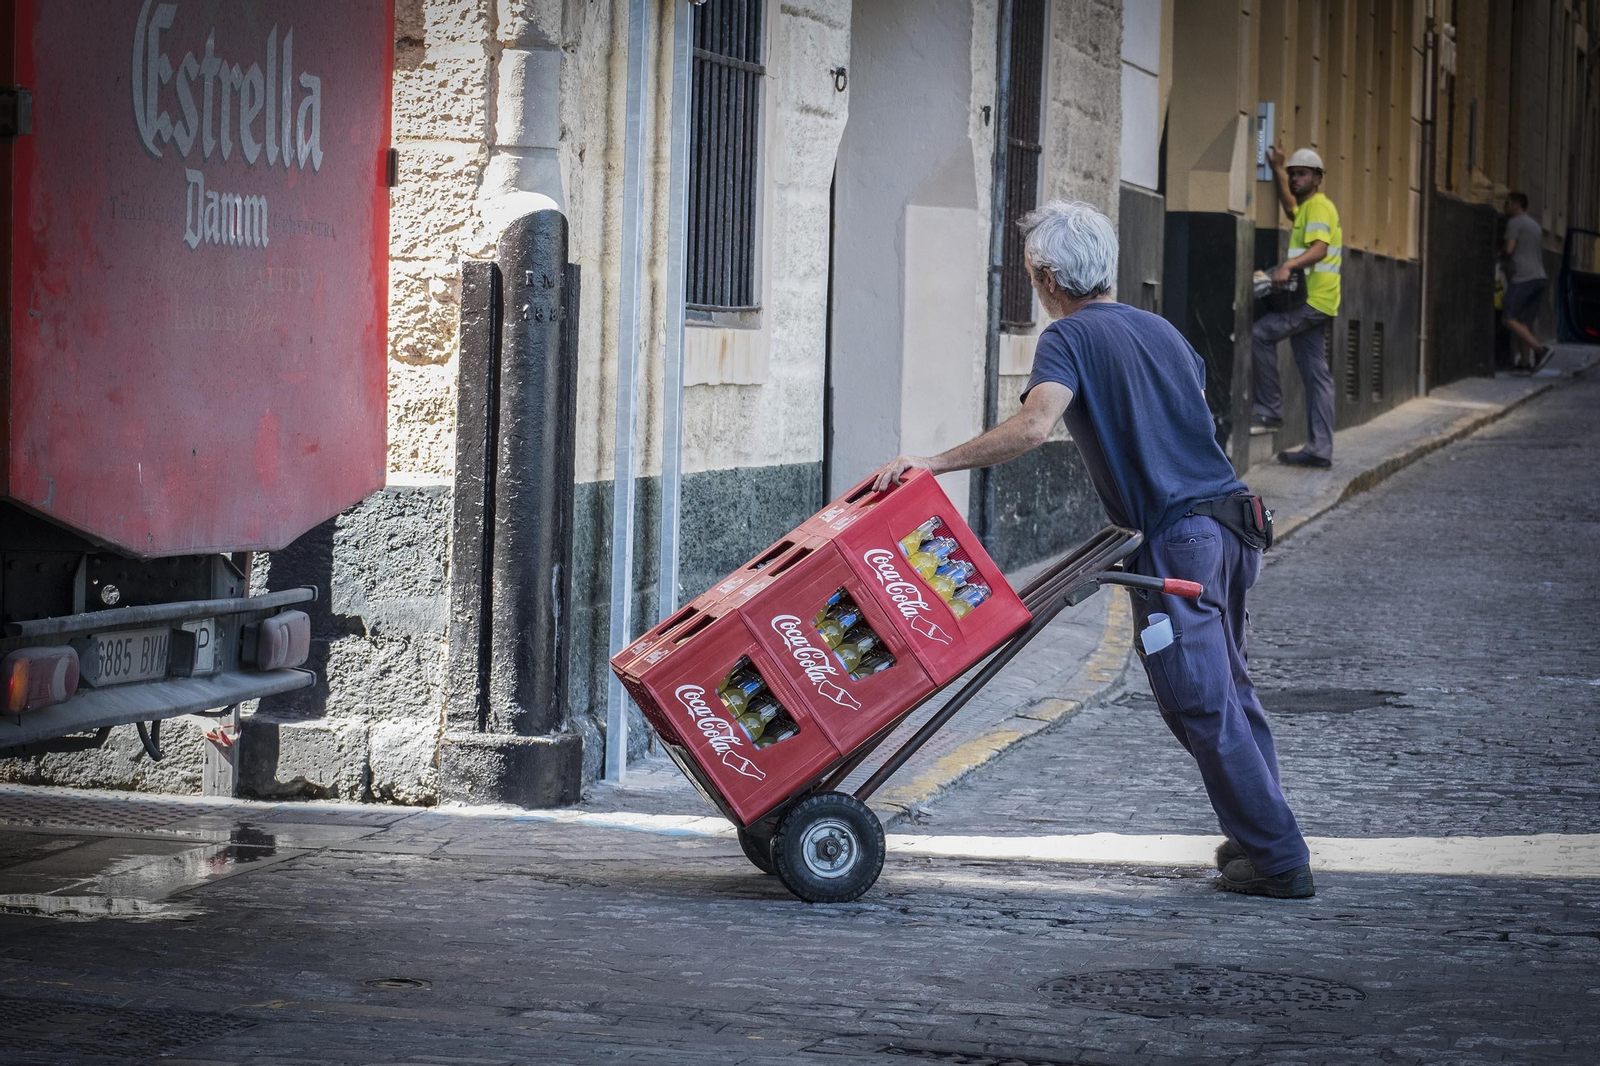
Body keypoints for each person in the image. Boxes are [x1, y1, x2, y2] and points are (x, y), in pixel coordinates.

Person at [871, 200, 1314, 899]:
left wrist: (934, 462)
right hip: (1231, 527)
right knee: (1228, 686)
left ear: (1048, 276)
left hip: (1180, 537)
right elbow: (1188, 418)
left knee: (1196, 697)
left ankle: (1280, 857)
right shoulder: (1165, 333)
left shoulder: (1069, 339)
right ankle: (1261, 834)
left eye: (1031, 276)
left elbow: (1033, 426)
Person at [1250, 146, 1342, 470]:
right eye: (1292, 174)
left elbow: (1319, 249)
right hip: (1318, 301)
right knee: (1317, 376)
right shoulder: (1307, 208)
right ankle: (1320, 448)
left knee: (1260, 333)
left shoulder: (1318, 206)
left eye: (1301, 174)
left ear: (1317, 178)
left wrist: (1288, 265)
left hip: (1311, 302)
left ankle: (1270, 408)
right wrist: (1277, 170)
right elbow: (1290, 208)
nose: (1295, 179)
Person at [1501, 192, 1552, 374]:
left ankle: (1540, 351)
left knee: (1509, 318)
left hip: (1523, 277)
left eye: (1507, 203)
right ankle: (1524, 363)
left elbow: (1510, 249)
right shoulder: (1535, 225)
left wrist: (1502, 255)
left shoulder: (1514, 222)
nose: (1505, 207)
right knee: (1524, 322)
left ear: (1516, 205)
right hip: (1540, 278)